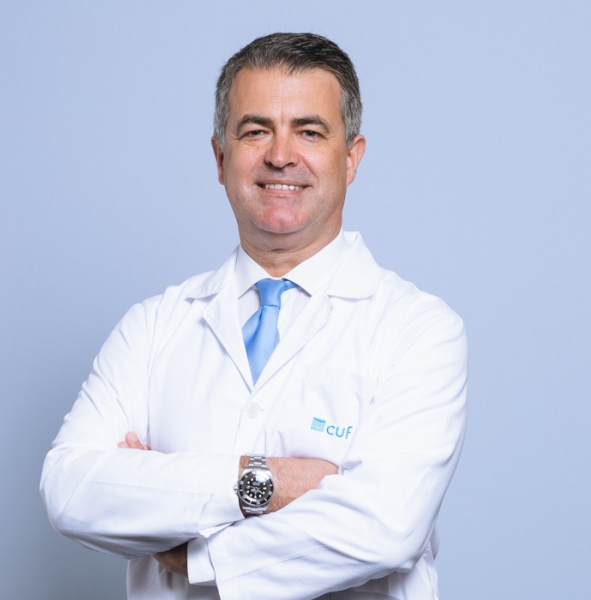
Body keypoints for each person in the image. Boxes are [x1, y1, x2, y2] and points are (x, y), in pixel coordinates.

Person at [41, 32, 467, 600]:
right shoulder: (153, 326)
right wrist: (271, 480)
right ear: (221, 158)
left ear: (351, 157)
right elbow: (71, 489)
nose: (280, 155)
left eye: (309, 131)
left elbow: (385, 528)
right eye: (255, 130)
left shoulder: (419, 331)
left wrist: (189, 548)